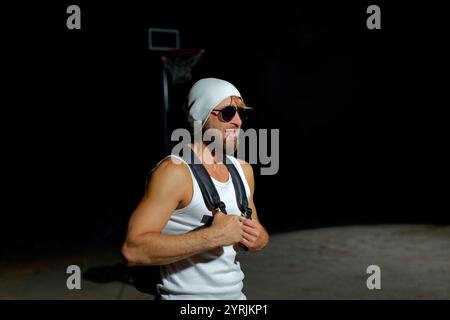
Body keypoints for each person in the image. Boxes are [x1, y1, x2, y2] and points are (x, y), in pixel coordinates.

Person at [121, 78, 269, 300]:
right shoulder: (174, 172)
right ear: (201, 117)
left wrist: (259, 239)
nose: (238, 121)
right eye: (228, 112)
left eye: (242, 113)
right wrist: (212, 236)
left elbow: (255, 234)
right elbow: (133, 249)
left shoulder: (243, 171)